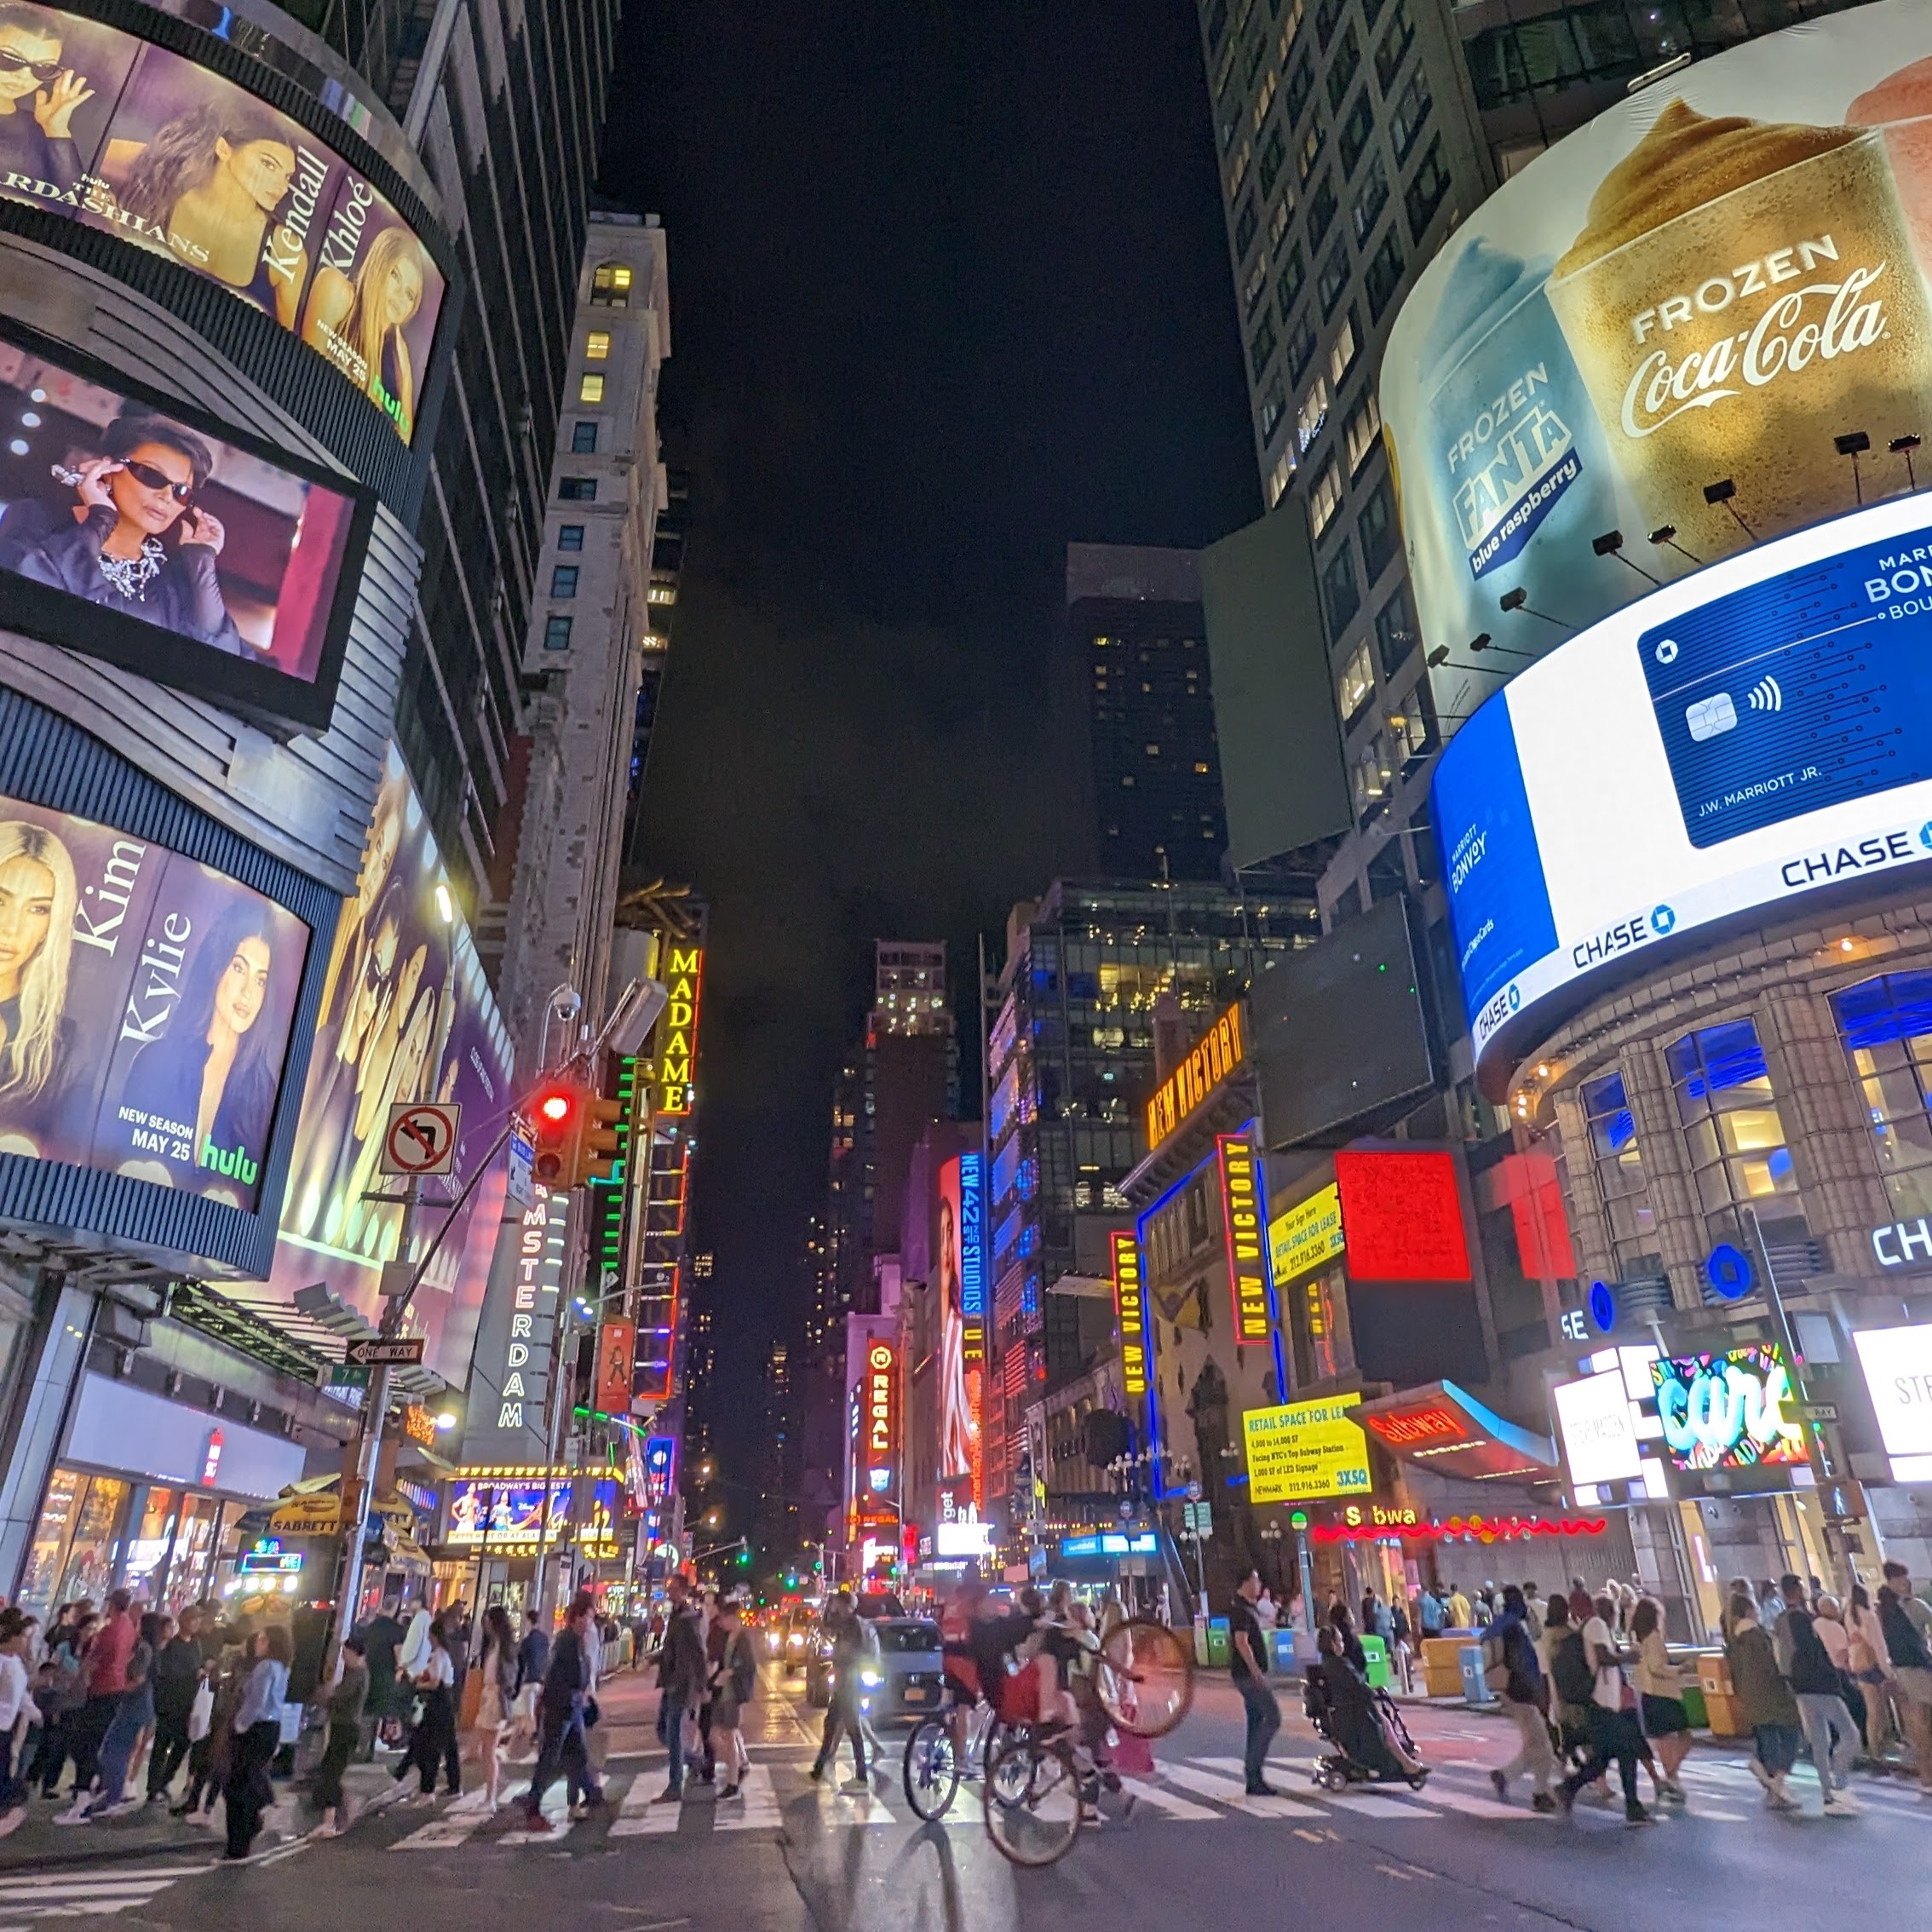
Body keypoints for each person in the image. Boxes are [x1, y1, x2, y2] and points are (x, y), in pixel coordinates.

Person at [14, 409, 243, 650]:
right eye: (152, 476)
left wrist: (202, 561)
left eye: (181, 492)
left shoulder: (169, 581)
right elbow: (26, 601)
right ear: (109, 470)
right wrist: (100, 520)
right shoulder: (34, 520)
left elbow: (222, 656)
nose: (166, 497)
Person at [117, 904, 285, 1196]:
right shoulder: (157, 1061)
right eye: (238, 968)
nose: (248, 991)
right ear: (216, 967)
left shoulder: (266, 1097)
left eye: (260, 980)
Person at [115, 101, 308, 327]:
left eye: (287, 176)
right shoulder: (164, 182)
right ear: (224, 149)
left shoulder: (286, 252)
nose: (281, 186)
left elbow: (285, 349)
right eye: (268, 164)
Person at [300, 224, 430, 439]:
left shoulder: (391, 365)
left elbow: (399, 451)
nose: (399, 296)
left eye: (409, 294)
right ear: (379, 267)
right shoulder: (338, 292)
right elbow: (303, 375)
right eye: (395, 276)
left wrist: (406, 384)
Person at [1554, 1590, 1650, 1824]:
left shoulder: (1588, 1626)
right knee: (1625, 1752)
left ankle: (1569, 1787)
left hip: (1601, 1702)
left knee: (1604, 1756)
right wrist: (1627, 1657)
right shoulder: (1596, 1625)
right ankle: (1633, 1807)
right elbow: (1603, 1657)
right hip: (1604, 1702)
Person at [1774, 1578, 1859, 1815]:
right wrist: (1830, 1677)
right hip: (1819, 1684)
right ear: (1797, 1591)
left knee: (1820, 1741)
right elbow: (1811, 1651)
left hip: (1800, 1686)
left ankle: (1828, 1794)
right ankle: (1839, 1784)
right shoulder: (1801, 1619)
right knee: (1850, 1733)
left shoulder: (1780, 1620)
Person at [522, 1593, 602, 1832]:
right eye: (589, 1616)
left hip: (571, 1705)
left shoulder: (574, 1641)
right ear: (577, 1617)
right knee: (551, 1757)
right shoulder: (567, 1641)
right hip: (562, 1706)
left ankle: (590, 1794)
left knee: (576, 1755)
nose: (591, 1622)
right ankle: (533, 1804)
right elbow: (564, 1676)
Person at [69, 1610, 158, 1820]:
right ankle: (110, 1794)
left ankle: (112, 1797)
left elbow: (136, 1678)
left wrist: (117, 1688)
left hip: (133, 1706)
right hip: (135, 1705)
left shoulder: (143, 1649)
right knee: (114, 1749)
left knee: (114, 1751)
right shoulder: (146, 1648)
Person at [0, 3, 96, 189]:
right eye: (8, 59)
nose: (24, 75)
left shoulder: (42, 129)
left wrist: (57, 130)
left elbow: (70, 205)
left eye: (43, 68)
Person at [1315, 1625, 1424, 1779]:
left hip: (1346, 1712)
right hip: (1353, 1714)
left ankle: (1404, 1759)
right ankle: (1405, 1763)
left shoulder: (1329, 1664)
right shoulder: (1339, 1665)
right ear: (1332, 1644)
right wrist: (1372, 1691)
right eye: (1339, 1641)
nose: (1343, 1644)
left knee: (1384, 1722)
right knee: (1385, 1725)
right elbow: (1358, 1687)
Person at [1727, 1590, 1801, 1811]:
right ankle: (1777, 1781)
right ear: (1750, 1610)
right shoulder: (1758, 1636)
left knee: (1767, 1736)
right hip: (1771, 1691)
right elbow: (1771, 1664)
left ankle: (1771, 1783)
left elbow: (1735, 1672)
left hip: (1750, 1694)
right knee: (1791, 1730)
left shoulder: (1734, 1640)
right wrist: (1785, 1683)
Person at [223, 1625, 291, 1860]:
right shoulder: (282, 1667)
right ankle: (251, 1828)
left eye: (262, 1639)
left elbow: (256, 1702)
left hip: (256, 1728)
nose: (257, 1643)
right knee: (250, 1780)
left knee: (237, 1785)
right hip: (272, 1728)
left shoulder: (265, 1666)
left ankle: (238, 1844)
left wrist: (240, 1725)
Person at [1486, 1584, 1556, 1812]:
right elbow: (1522, 1664)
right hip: (1523, 1693)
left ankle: (1504, 1776)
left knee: (1533, 1743)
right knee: (1544, 1747)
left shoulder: (1499, 1625)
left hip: (1508, 1692)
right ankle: (1540, 1794)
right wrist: (1536, 1694)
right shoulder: (1514, 1629)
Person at [808, 1591, 877, 1793]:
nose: (837, 1608)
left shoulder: (855, 1626)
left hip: (850, 1683)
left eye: (839, 1604)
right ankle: (819, 1768)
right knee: (831, 1724)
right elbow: (827, 1625)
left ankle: (861, 1776)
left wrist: (844, 1668)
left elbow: (855, 1653)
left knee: (853, 1729)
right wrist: (829, 1607)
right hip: (843, 1682)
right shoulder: (845, 1624)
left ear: (849, 1606)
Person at [1627, 1596, 1689, 1800]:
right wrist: (1679, 1669)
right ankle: (1671, 1775)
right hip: (1663, 1693)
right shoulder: (1654, 1638)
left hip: (1647, 1695)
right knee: (1685, 1736)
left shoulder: (1638, 1640)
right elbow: (1657, 1667)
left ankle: (1672, 1779)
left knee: (1664, 1741)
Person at [1877, 1561, 1932, 1791]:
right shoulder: (1915, 1606)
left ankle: (1926, 1777)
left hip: (1898, 1672)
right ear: (1893, 1580)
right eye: (1901, 1578)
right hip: (1918, 1669)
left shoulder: (1881, 1610)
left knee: (1915, 1725)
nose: (1904, 1583)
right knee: (1922, 1723)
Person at [393, 1613, 458, 1800]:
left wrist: (418, 1684)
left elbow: (435, 1682)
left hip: (438, 1702)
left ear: (435, 1636)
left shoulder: (439, 1655)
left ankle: (424, 1786)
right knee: (439, 1743)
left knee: (428, 1744)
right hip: (443, 1701)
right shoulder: (442, 1655)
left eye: (430, 1636)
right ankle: (430, 1784)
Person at [654, 1575, 707, 1801]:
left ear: (684, 1591)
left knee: (673, 1733)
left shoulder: (687, 1618)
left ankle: (675, 1786)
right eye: (669, 1588)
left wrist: (702, 1686)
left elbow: (698, 1653)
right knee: (662, 1730)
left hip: (682, 1683)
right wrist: (655, 1659)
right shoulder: (675, 1616)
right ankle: (696, 1761)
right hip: (670, 1681)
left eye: (674, 1588)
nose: (670, 1592)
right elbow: (671, 1650)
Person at [1229, 1567, 1281, 1797]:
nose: (1259, 1584)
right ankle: (1253, 1767)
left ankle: (1254, 1778)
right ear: (1246, 1581)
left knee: (1256, 1720)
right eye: (1256, 1579)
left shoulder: (1248, 1608)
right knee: (1273, 1717)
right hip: (1249, 1675)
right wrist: (1255, 1671)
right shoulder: (1240, 1610)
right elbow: (1241, 1642)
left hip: (1249, 1673)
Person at [146, 1605, 203, 1803]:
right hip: (171, 1704)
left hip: (189, 1704)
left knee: (182, 1744)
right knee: (162, 1744)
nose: (196, 1623)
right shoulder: (172, 1646)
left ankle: (164, 1780)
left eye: (198, 1619)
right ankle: (154, 1786)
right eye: (193, 1619)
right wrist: (192, 1675)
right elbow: (168, 1673)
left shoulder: (196, 1644)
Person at [311, 1635, 366, 1837]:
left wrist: (325, 1696)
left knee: (332, 1771)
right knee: (330, 1769)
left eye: (345, 1653)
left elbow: (340, 1697)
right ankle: (340, 1814)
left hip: (346, 1727)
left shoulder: (357, 1674)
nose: (343, 1657)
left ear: (354, 1653)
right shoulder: (356, 1673)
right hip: (344, 1726)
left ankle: (331, 1820)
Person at [469, 1606, 516, 1808]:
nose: (485, 1626)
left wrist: (502, 1690)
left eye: (488, 1621)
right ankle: (492, 1791)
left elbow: (509, 1675)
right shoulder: (496, 1645)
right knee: (484, 1749)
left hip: (495, 1698)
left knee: (486, 1749)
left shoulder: (504, 1647)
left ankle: (491, 1795)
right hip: (490, 1695)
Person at [709, 1600, 756, 1800]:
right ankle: (740, 1765)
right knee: (715, 1734)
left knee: (729, 1736)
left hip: (734, 1694)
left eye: (726, 1619)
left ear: (734, 1619)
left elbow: (749, 1666)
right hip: (723, 1692)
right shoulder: (727, 1637)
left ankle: (733, 1782)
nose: (723, 1623)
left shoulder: (743, 1639)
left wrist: (730, 1672)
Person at [0, 1607, 40, 1837]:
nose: (27, 1643)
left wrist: (35, 1712)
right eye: (24, 1637)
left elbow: (22, 1694)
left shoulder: (15, 1662)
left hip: (6, 1727)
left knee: (5, 1768)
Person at [1846, 1581, 1896, 1761]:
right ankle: (1880, 1748)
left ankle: (1875, 1749)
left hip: (1860, 1665)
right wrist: (1888, 1670)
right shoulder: (1869, 1617)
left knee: (1872, 1711)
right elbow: (1878, 1645)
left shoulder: (1850, 1616)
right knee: (1881, 1710)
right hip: (1875, 1666)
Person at [353, 1596, 405, 1752]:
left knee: (366, 1708)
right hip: (387, 1673)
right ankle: (376, 1740)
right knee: (382, 1708)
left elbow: (361, 1649)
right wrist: (400, 1670)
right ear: (395, 1608)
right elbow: (398, 1653)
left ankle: (361, 1741)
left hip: (369, 1671)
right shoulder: (396, 1629)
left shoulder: (372, 1626)